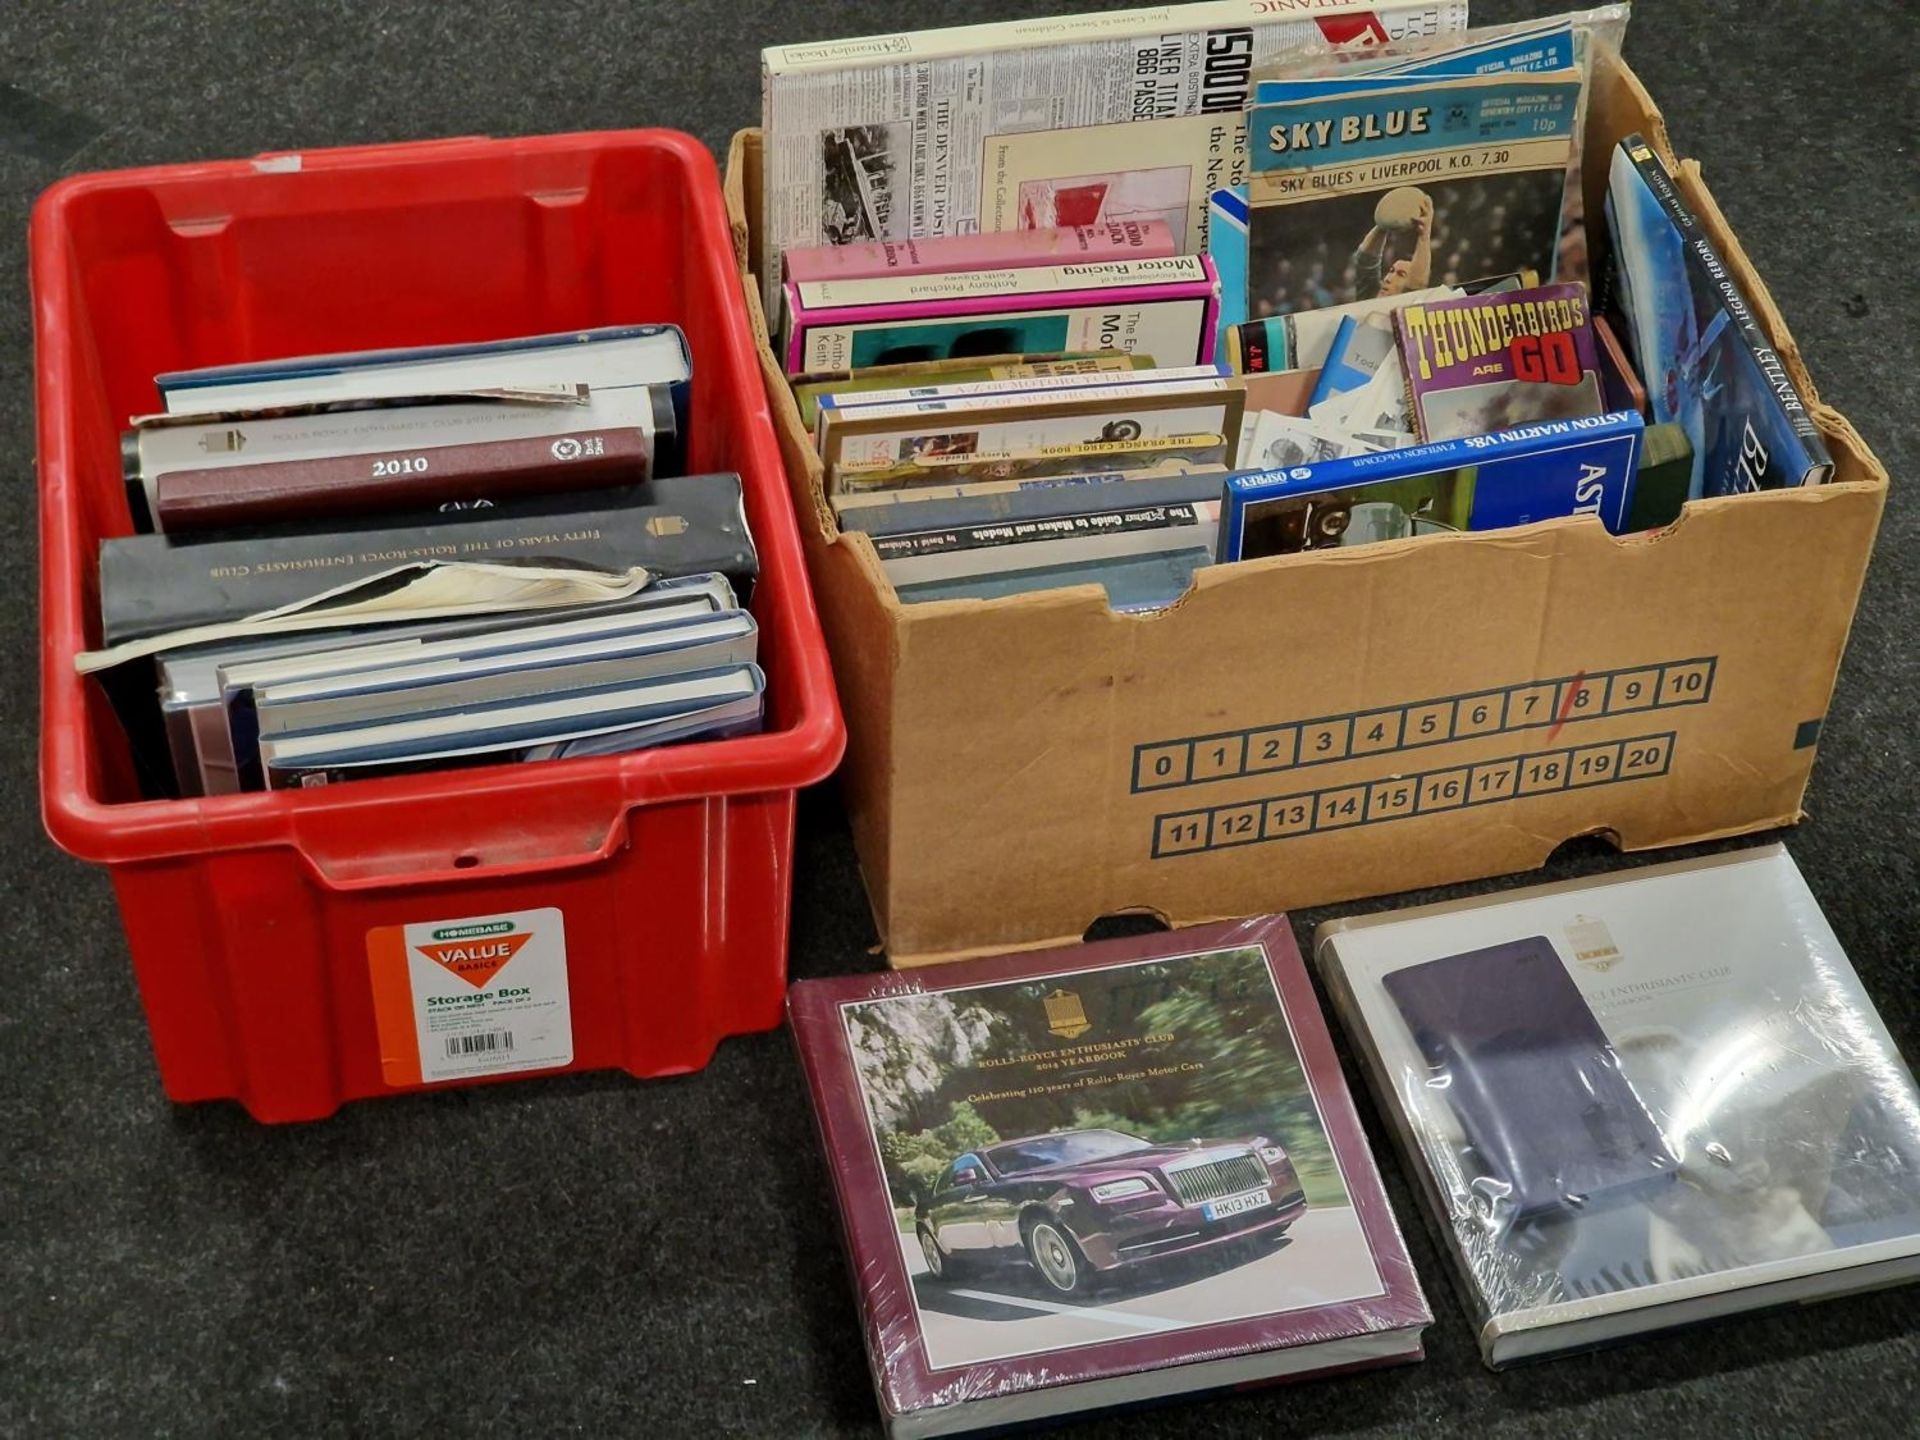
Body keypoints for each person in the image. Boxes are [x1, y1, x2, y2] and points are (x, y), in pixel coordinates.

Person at [1353, 190, 1434, 299]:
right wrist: (1385, 221)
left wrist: (1424, 235)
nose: (1388, 279)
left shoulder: (1406, 307)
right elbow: (1365, 261)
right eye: (1391, 271)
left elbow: (1416, 285)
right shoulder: (1370, 298)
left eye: (1401, 275)